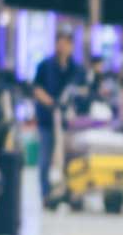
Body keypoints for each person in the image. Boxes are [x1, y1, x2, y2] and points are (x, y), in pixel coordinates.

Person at [33, 31, 85, 202]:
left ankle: (71, 191)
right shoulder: (45, 66)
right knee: (46, 157)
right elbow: (37, 89)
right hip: (47, 119)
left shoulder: (76, 69)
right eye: (59, 43)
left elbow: (83, 89)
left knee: (70, 158)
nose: (62, 47)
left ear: (71, 46)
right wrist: (51, 103)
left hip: (69, 122)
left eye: (66, 43)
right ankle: (46, 193)